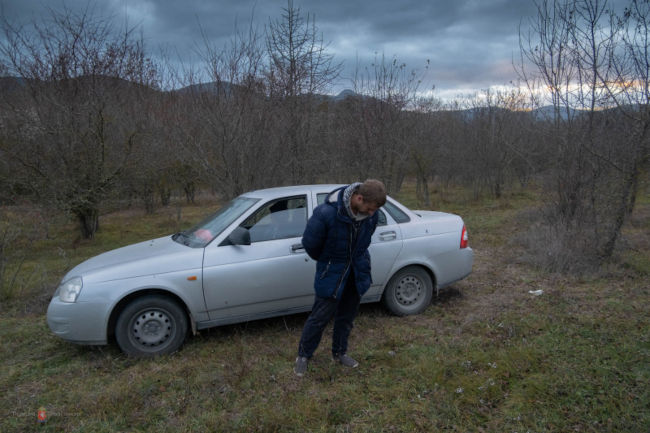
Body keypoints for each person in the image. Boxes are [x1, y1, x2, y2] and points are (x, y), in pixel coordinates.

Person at [294, 179, 387, 377]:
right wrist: (330, 262)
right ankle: (303, 355)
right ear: (359, 198)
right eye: (369, 208)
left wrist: (357, 261)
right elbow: (310, 244)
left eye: (374, 210)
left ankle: (340, 352)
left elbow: (365, 240)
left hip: (357, 271)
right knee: (319, 318)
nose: (372, 213)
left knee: (346, 318)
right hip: (332, 273)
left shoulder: (371, 215)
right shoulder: (326, 213)